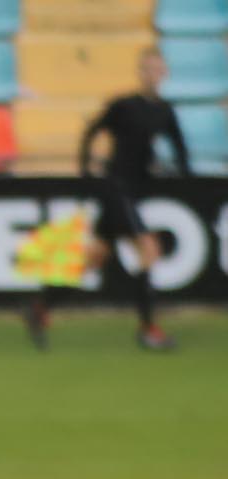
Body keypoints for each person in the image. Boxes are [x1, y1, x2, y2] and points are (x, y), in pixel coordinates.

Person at [67, 48, 193, 352]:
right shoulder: (124, 105)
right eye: (148, 68)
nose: (152, 74)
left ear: (164, 73)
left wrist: (185, 177)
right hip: (116, 188)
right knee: (150, 249)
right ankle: (148, 329)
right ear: (141, 72)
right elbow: (92, 130)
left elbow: (179, 147)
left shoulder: (164, 111)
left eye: (157, 69)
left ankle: (40, 306)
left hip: (131, 190)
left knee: (94, 259)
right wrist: (85, 170)